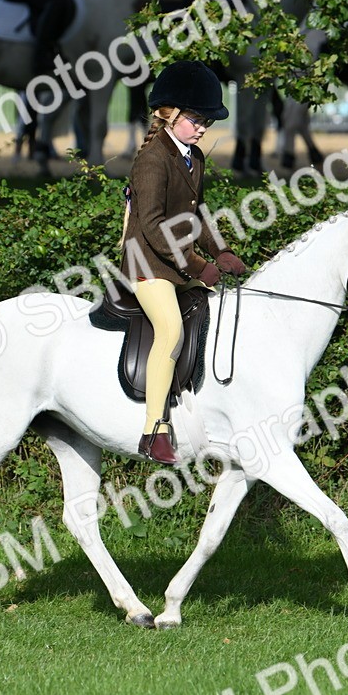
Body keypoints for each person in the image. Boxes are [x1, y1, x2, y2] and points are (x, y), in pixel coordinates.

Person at [119, 60, 246, 465]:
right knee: (171, 330)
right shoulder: (152, 160)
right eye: (196, 119)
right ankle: (153, 429)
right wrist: (196, 266)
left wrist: (221, 251)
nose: (203, 127)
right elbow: (154, 227)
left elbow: (198, 215)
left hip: (173, 263)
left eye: (207, 120)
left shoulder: (193, 155)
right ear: (168, 113)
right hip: (146, 264)